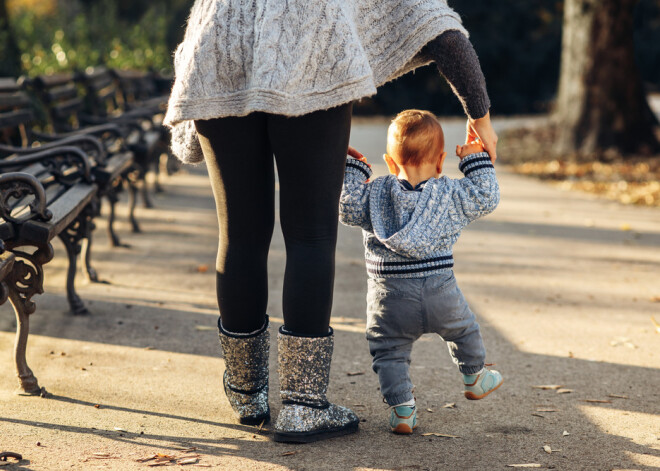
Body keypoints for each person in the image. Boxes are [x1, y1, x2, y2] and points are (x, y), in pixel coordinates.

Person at [164, 0, 498, 443]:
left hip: (218, 50)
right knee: (310, 235)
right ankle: (303, 407)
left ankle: (247, 394)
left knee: (240, 235)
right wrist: (481, 119)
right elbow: (437, 26)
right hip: (313, 54)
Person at [339, 110, 503, 435]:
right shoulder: (451, 196)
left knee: (388, 351)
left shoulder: (373, 195)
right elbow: (486, 195)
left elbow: (345, 205)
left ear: (389, 162)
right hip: (441, 295)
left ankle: (402, 409)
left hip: (390, 301)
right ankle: (474, 375)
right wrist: (475, 160)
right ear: (441, 162)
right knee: (465, 329)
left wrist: (351, 168)